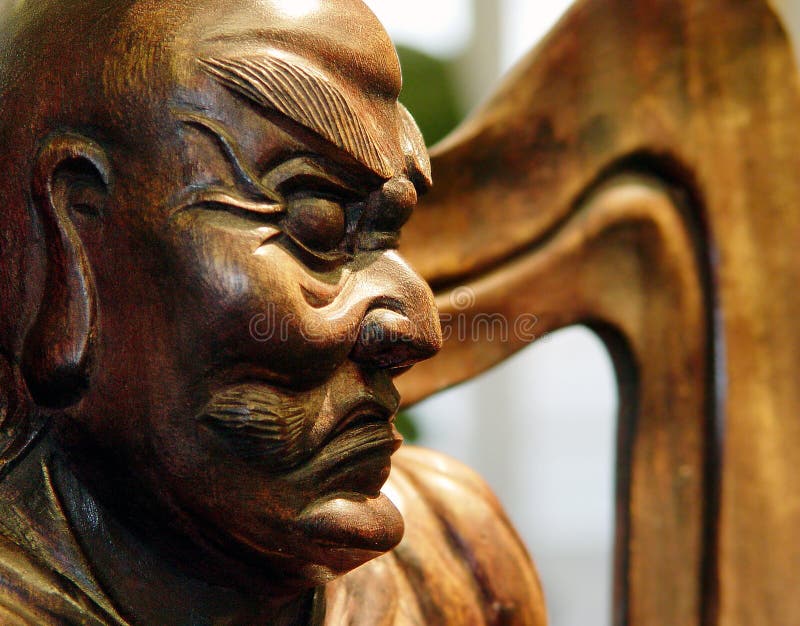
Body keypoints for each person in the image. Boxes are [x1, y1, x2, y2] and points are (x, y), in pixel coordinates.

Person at [0, 0, 545, 623]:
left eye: (390, 235)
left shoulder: (455, 552)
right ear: (73, 227)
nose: (415, 329)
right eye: (318, 221)